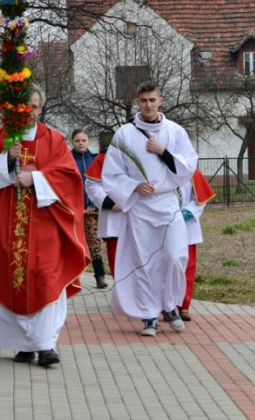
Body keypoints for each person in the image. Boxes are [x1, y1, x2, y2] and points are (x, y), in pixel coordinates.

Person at [0, 86, 90, 367]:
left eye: (33, 107)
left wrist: (37, 180)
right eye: (22, 107)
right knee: (7, 278)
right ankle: (22, 344)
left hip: (45, 225)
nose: (28, 112)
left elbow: (69, 178)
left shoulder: (53, 139)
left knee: (45, 279)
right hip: (5, 223)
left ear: (40, 109)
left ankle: (45, 345)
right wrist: (5, 160)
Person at [102, 82, 198, 337]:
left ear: (161, 100)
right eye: (143, 100)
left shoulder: (175, 131)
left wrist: (163, 151)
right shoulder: (124, 134)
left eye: (152, 100)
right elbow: (111, 173)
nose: (148, 105)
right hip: (141, 207)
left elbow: (188, 166)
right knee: (145, 261)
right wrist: (134, 186)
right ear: (137, 102)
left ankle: (170, 306)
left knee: (176, 256)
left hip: (167, 202)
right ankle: (148, 315)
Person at [71, 129, 106, 288]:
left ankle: (100, 276)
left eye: (83, 140)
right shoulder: (67, 159)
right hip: (72, 211)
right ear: (72, 142)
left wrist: (93, 204)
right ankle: (71, 278)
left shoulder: (96, 159)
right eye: (77, 141)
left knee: (94, 242)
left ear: (89, 141)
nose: (81, 143)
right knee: (72, 243)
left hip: (92, 211)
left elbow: (100, 184)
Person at [84, 140, 124, 278]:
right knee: (118, 266)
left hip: (141, 217)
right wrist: (109, 202)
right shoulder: (107, 154)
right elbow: (91, 184)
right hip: (115, 218)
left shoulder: (149, 152)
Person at [178, 169, 215, 321]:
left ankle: (184, 306)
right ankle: (165, 306)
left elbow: (201, 197)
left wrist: (187, 212)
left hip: (187, 227)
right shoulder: (159, 168)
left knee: (188, 268)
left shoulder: (192, 171)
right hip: (164, 224)